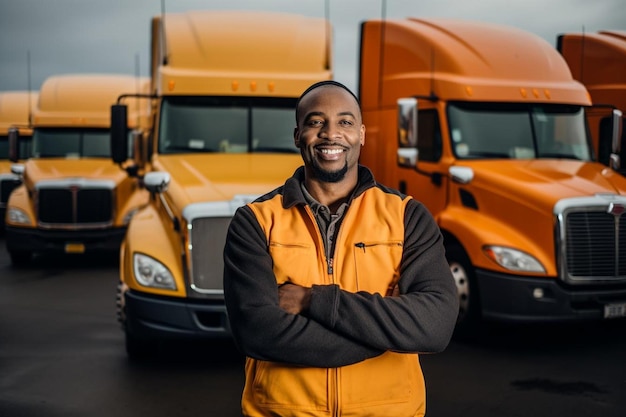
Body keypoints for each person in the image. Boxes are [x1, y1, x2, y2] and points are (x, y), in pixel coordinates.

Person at [223, 80, 459, 417]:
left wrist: (311, 300)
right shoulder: (256, 221)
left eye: (345, 122)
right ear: (297, 136)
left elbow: (434, 325)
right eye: (316, 122)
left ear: (361, 134)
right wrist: (388, 333)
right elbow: (257, 331)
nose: (331, 134)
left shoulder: (407, 216)